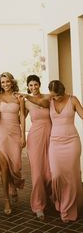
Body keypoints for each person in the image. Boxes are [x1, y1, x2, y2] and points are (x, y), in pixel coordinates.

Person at [48, 80, 83, 222]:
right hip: (55, 143)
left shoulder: (72, 100)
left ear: (62, 92)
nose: (55, 98)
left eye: (57, 96)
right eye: (53, 96)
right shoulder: (49, 100)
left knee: (72, 177)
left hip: (72, 142)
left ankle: (67, 209)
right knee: (56, 175)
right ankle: (59, 201)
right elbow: (34, 100)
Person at [0, 72, 25, 215]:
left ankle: (14, 182)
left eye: (7, 81)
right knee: (4, 167)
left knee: (16, 166)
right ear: (0, 84)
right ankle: (6, 200)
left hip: (15, 133)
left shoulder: (19, 97)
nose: (5, 84)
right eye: (2, 82)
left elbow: (23, 118)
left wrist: (23, 136)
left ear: (12, 82)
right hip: (1, 133)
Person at [25, 75, 51, 220]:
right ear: (27, 87)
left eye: (35, 84)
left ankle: (49, 196)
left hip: (51, 136)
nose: (33, 88)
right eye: (30, 85)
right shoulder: (26, 102)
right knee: (37, 174)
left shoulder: (47, 98)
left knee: (51, 173)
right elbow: (20, 119)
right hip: (35, 138)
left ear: (40, 85)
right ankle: (38, 205)